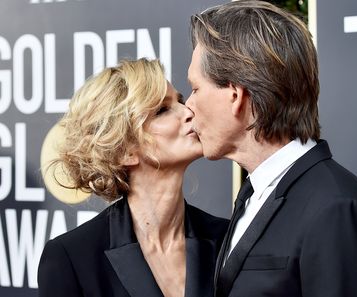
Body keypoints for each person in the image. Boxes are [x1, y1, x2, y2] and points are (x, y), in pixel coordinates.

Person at [186, 1, 357, 296]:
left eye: (195, 89)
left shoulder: (337, 209)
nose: (189, 107)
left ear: (235, 95)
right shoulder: (253, 194)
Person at [38, 58, 228, 297]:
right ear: (124, 150)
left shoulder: (226, 238)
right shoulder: (73, 258)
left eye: (180, 100)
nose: (188, 111)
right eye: (162, 110)